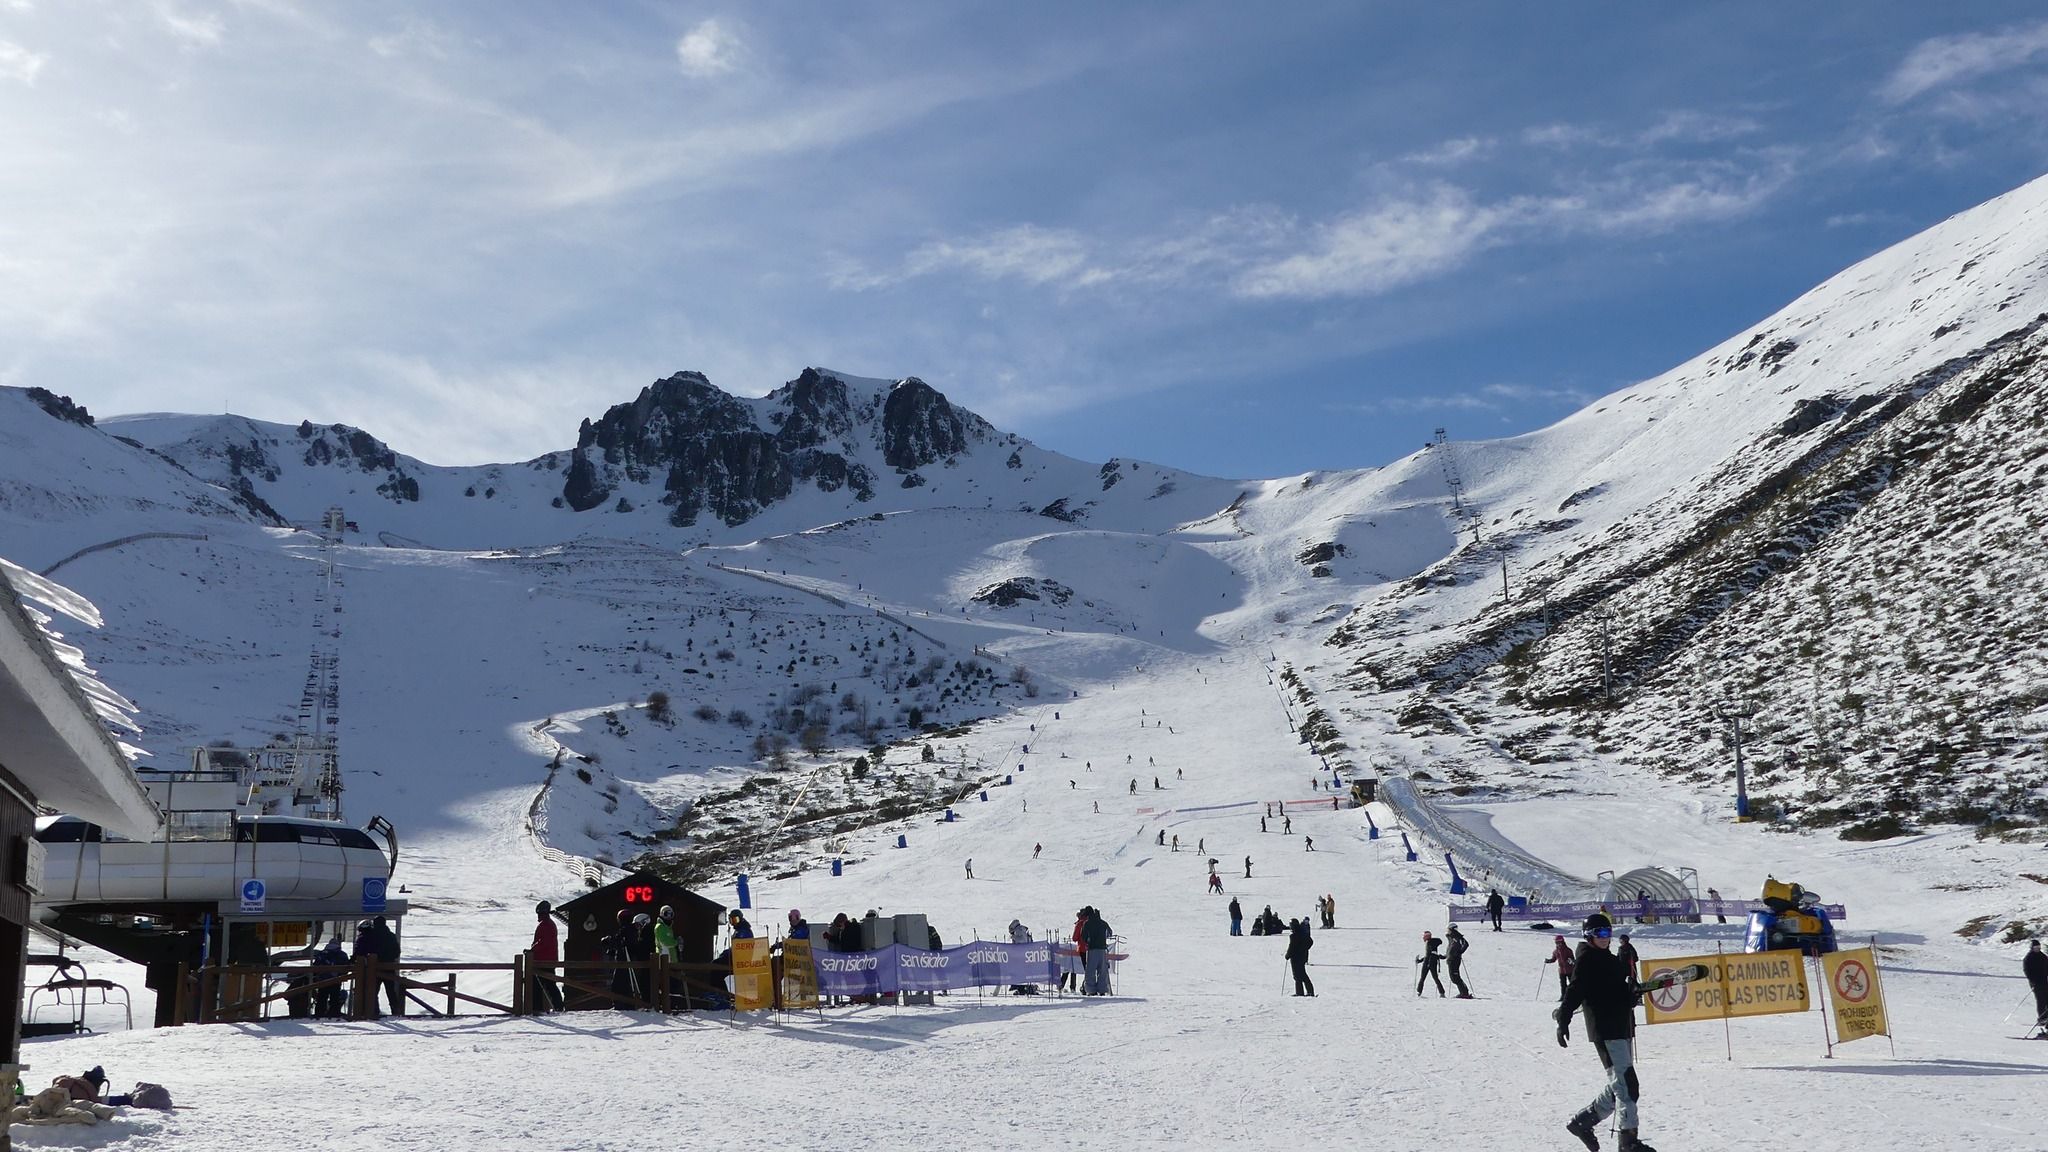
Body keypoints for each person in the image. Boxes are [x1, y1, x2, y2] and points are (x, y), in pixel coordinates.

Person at [1556, 912, 1657, 1152]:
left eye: (1608, 933)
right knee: (1628, 1086)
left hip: (1621, 1026)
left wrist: (1631, 994)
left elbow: (1617, 994)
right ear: (1589, 935)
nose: (1605, 938)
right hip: (1605, 1029)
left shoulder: (1610, 960)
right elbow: (1575, 990)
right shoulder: (1587, 959)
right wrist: (1564, 1019)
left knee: (1620, 1085)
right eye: (1600, 933)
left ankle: (1583, 1122)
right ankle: (1628, 1141)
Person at [354, 915, 404, 1017]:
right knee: (391, 991)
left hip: (374, 966)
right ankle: (396, 1012)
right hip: (388, 967)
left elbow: (364, 949)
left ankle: (373, 1011)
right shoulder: (391, 935)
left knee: (372, 990)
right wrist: (389, 959)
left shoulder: (371, 935)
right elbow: (396, 952)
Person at [529, 901, 564, 1013]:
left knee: (542, 985)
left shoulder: (546, 925)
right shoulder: (546, 924)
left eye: (540, 913)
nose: (539, 916)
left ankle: (538, 1008)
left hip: (544, 960)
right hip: (545, 959)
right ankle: (554, 1007)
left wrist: (533, 949)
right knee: (548, 984)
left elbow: (544, 942)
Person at [314, 935, 350, 1017]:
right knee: (335, 996)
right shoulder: (342, 954)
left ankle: (319, 1013)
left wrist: (317, 976)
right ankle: (334, 1013)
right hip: (336, 979)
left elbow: (315, 965)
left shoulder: (322, 953)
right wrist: (343, 976)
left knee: (322, 996)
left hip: (322, 979)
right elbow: (346, 966)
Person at [1081, 907, 1113, 995]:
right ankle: (1102, 990)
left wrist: (1088, 941)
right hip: (1102, 950)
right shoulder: (1103, 923)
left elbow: (1083, 936)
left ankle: (1091, 990)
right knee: (1102, 971)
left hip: (1092, 949)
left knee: (1090, 971)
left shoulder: (1087, 923)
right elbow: (1110, 933)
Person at [1285, 918, 1316, 996]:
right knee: (1302, 974)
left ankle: (1300, 993)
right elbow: (1310, 941)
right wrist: (1303, 949)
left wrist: (1287, 955)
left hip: (1295, 958)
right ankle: (1309, 991)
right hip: (1302, 957)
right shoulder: (1302, 933)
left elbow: (1292, 947)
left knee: (1297, 975)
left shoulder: (1294, 935)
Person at [1545, 933, 1576, 1001]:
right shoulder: (1556, 951)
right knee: (1563, 984)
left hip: (1569, 970)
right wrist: (1548, 961)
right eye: (1556, 943)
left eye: (1558, 942)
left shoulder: (1568, 950)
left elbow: (1572, 959)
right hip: (1562, 971)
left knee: (1572, 984)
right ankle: (1563, 997)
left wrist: (1571, 961)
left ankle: (1574, 996)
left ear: (1562, 942)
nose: (1557, 944)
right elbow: (1554, 959)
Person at [2026, 939, 2048, 1032]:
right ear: (2032, 948)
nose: (2037, 949)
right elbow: (2027, 971)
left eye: (2039, 947)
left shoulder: (2043, 956)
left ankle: (2046, 1017)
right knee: (2041, 1000)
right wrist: (2033, 981)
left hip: (2044, 981)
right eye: (2035, 948)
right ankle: (2042, 1018)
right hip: (2036, 982)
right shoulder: (2029, 958)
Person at [1446, 925, 1473, 998]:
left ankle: (1464, 993)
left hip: (1455, 959)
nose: (1447, 931)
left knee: (1455, 978)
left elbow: (1466, 944)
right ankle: (1463, 992)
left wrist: (1460, 952)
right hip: (1451, 959)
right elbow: (1450, 948)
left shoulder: (1457, 937)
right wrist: (1445, 956)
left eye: (1448, 929)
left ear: (1452, 929)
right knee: (1454, 978)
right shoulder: (1451, 937)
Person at [1417, 931, 1446, 997]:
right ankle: (1442, 993)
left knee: (1423, 978)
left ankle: (1419, 992)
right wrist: (1420, 960)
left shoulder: (1430, 942)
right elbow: (1428, 954)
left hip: (1429, 962)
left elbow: (1429, 955)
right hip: (1431, 961)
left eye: (1424, 936)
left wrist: (1421, 961)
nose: (1423, 938)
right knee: (1435, 978)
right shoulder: (1431, 942)